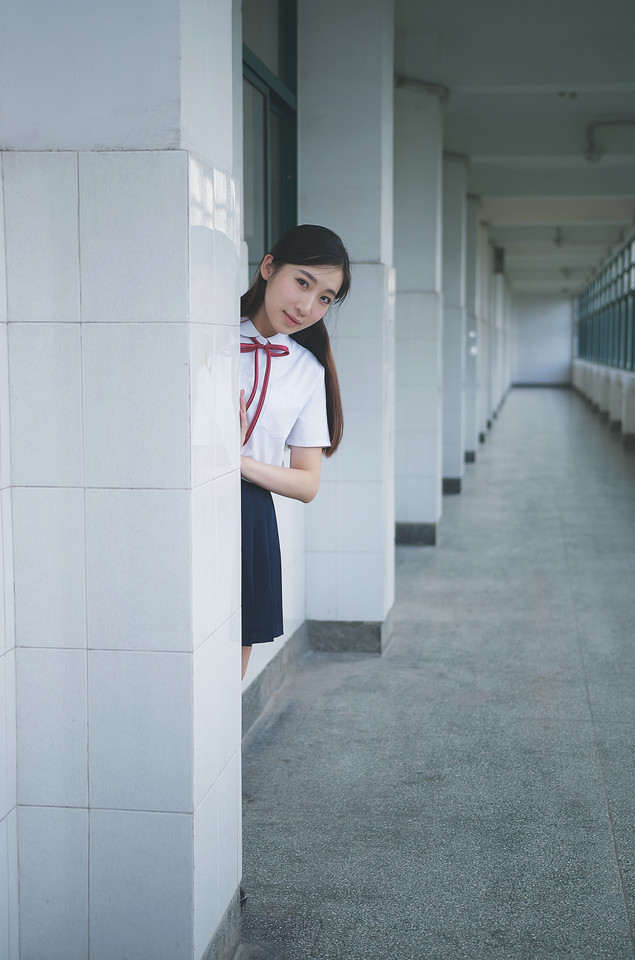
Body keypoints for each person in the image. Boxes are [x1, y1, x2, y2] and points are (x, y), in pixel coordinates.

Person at [239, 224, 351, 679]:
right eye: (302, 282)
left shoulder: (308, 371)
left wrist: (237, 461)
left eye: (325, 297)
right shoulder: (205, 333)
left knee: (227, 677)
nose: (307, 306)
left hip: (249, 516)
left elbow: (307, 484)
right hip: (181, 503)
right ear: (269, 267)